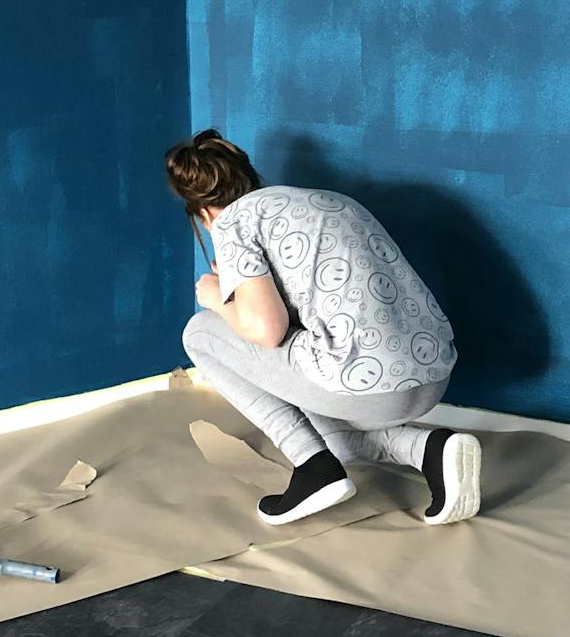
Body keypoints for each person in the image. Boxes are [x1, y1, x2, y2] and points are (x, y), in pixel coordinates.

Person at [166, 129, 483, 527]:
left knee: (200, 332)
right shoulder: (330, 201)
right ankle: (429, 448)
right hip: (432, 377)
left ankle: (312, 466)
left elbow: (266, 330)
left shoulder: (232, 221)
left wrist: (218, 299)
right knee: (332, 438)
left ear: (204, 213)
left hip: (371, 388)